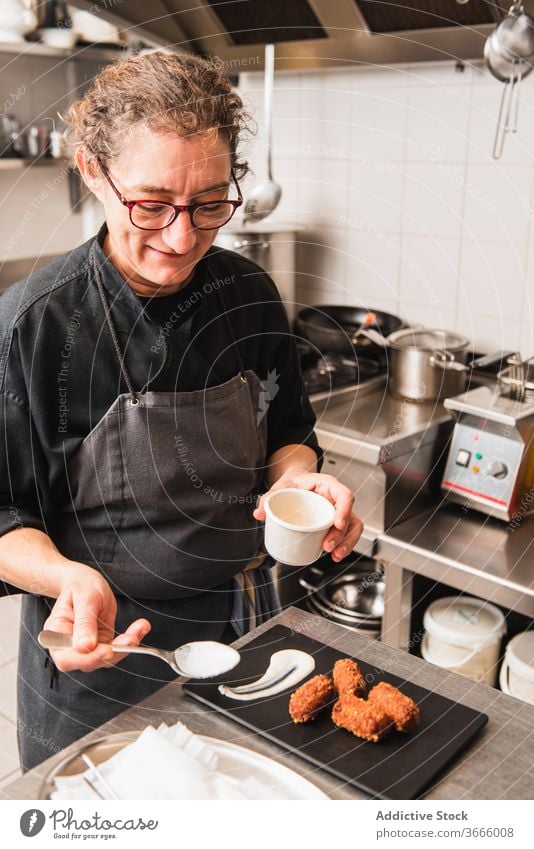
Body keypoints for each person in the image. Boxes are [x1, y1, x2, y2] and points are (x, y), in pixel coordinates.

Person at [0, 51, 363, 771]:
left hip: (251, 644)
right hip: (103, 663)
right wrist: (66, 578)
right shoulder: (34, 326)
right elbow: (5, 516)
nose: (180, 237)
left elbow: (288, 433)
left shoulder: (250, 293)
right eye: (152, 203)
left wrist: (297, 482)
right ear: (92, 173)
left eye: (208, 204)